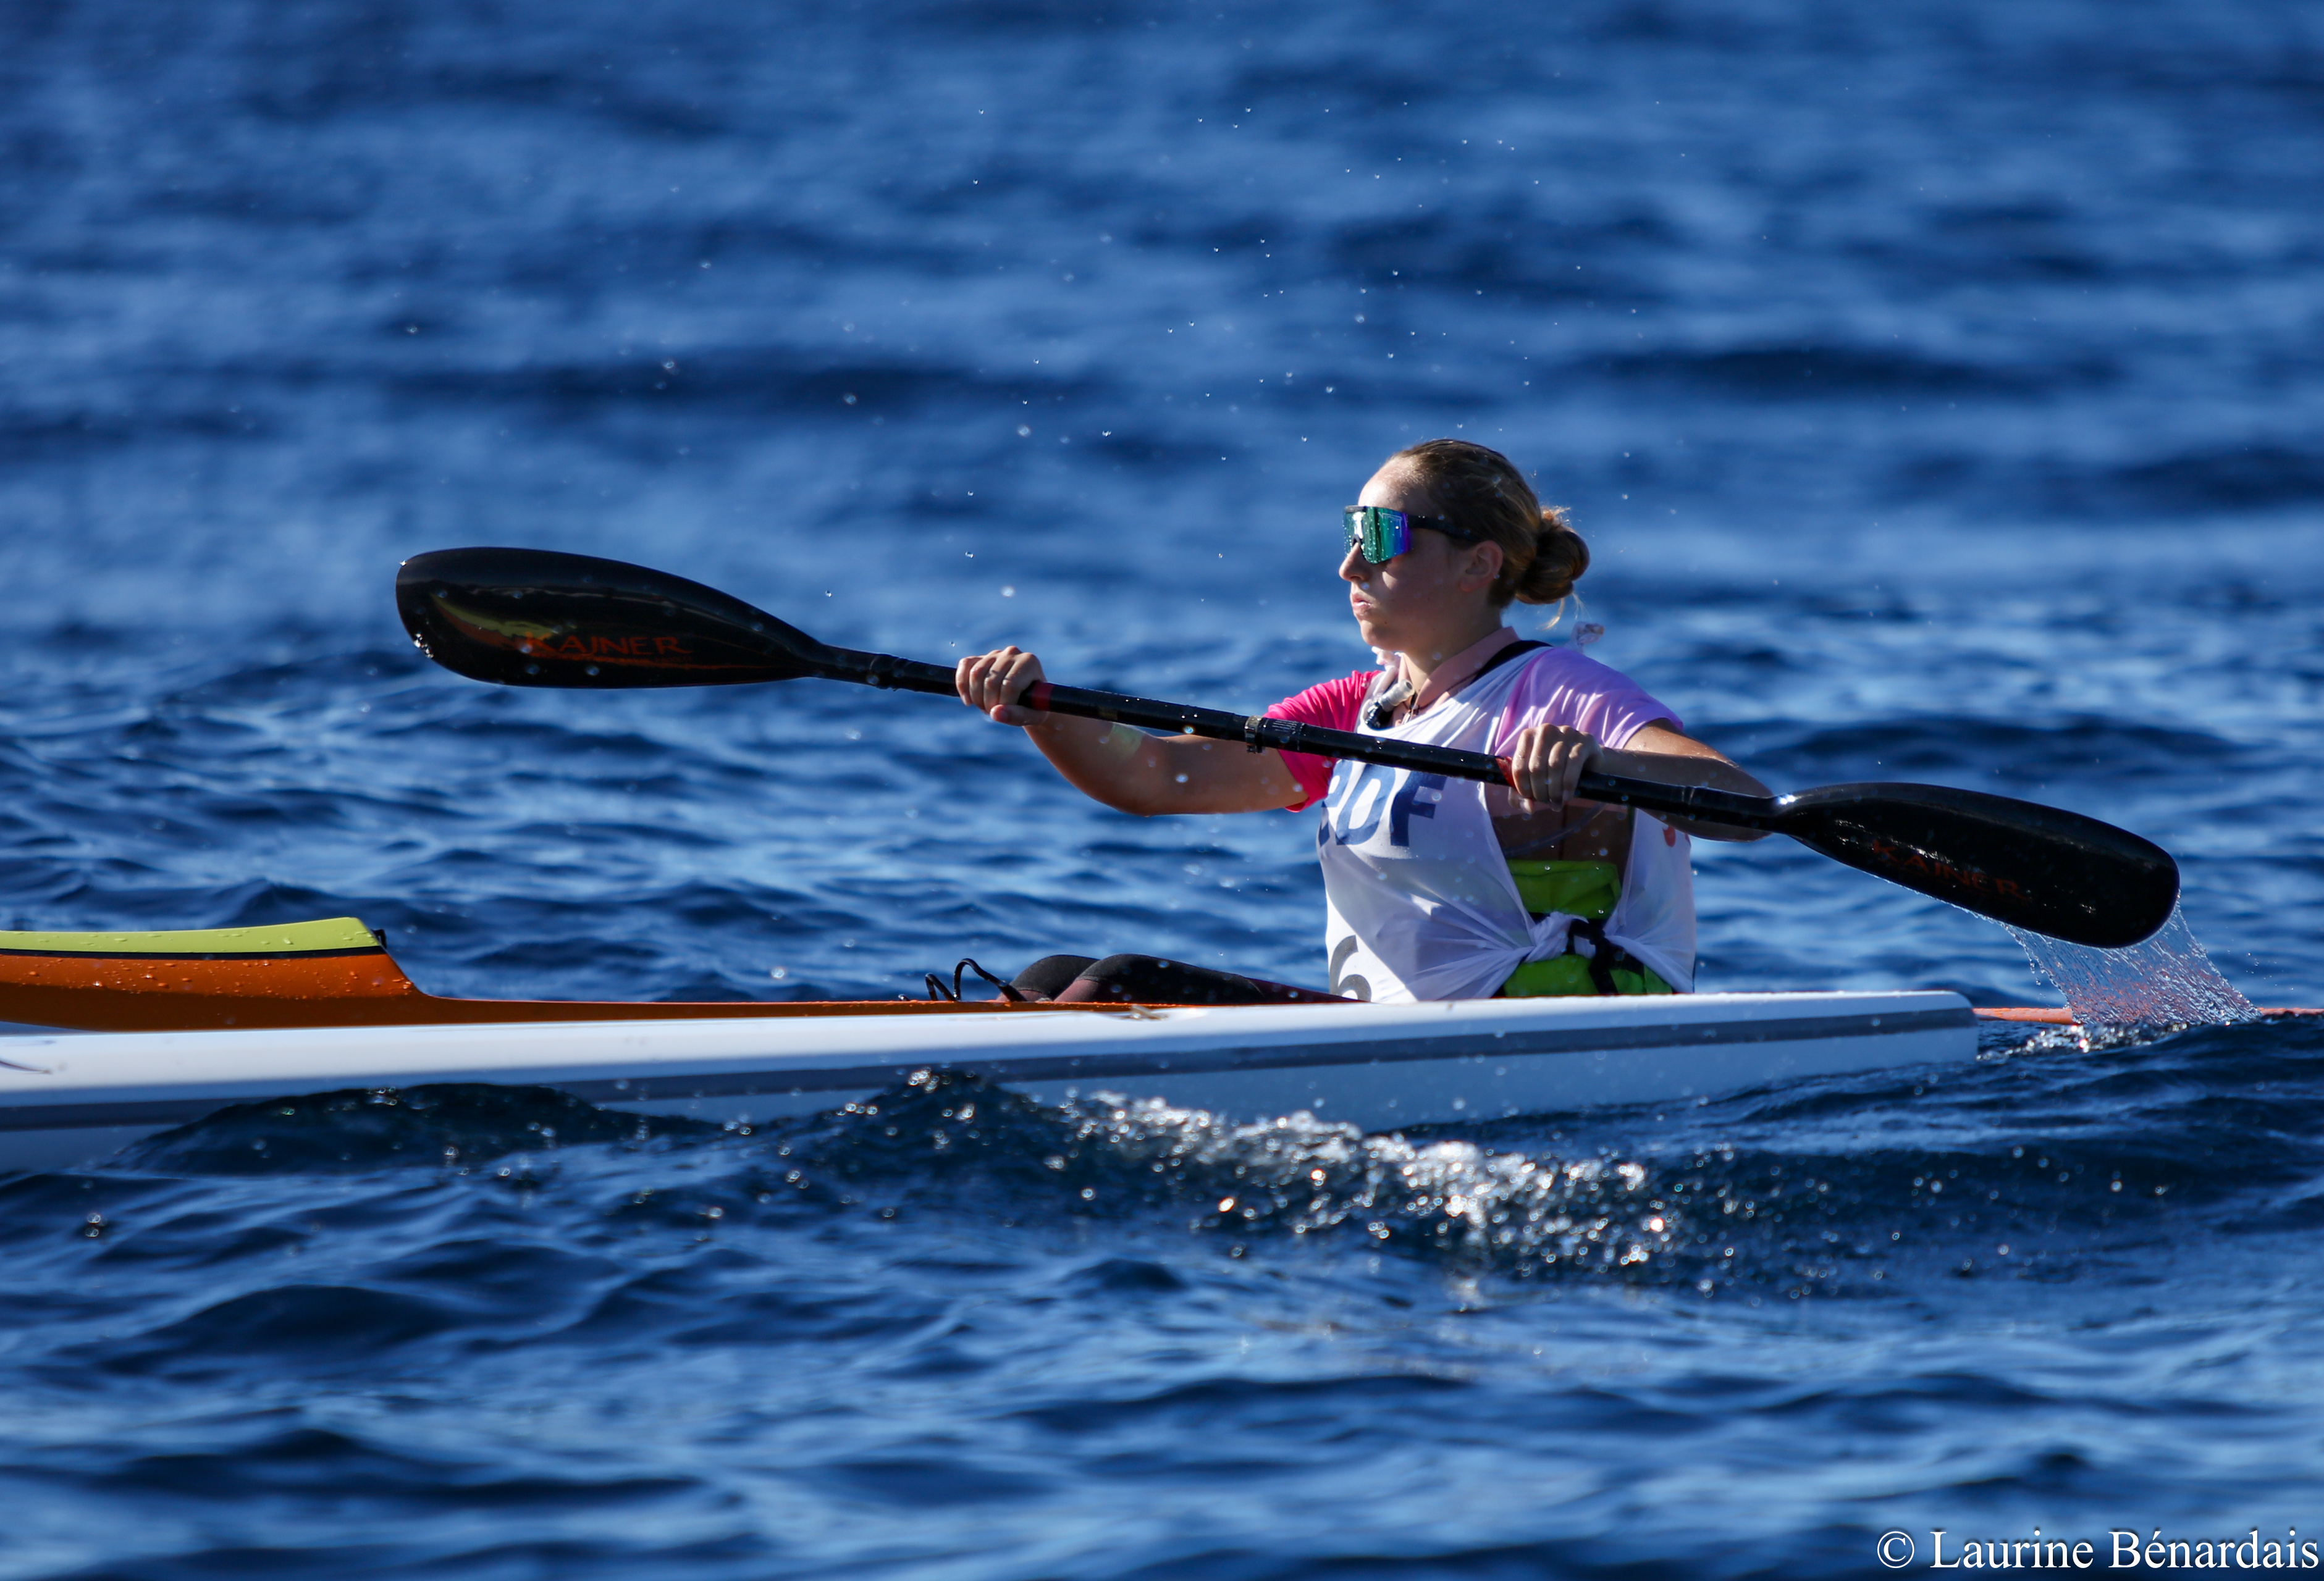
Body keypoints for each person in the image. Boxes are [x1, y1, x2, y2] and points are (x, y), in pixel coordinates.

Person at [954, 438, 1770, 1005]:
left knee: (1120, 983)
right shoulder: (1353, 709)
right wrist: (1039, 710)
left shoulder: (1556, 689)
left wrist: (1599, 762)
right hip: (1400, 1038)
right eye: (1351, 533)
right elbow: (1158, 777)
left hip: (1544, 1032)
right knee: (1052, 976)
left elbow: (1742, 806)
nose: (1349, 565)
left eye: (1379, 537)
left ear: (1477, 564)